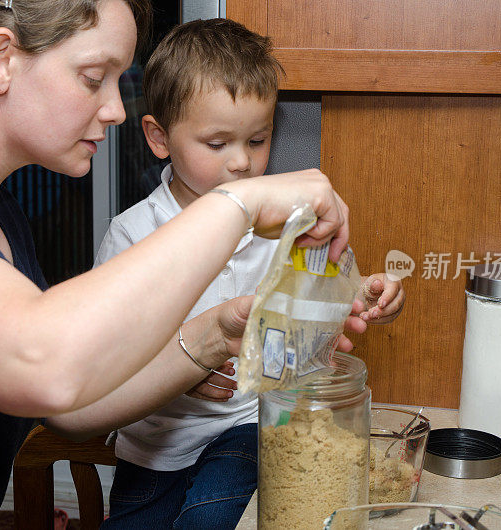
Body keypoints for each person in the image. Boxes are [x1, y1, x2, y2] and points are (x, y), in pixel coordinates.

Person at [0, 1, 361, 528]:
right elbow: (42, 364)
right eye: (94, 77)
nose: (118, 109)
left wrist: (216, 334)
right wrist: (239, 203)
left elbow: (72, 409)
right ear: (1, 60)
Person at [92, 18, 406, 530]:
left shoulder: (292, 225)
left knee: (207, 523)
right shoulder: (132, 236)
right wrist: (177, 374)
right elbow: (105, 359)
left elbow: (341, 294)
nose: (242, 162)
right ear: (158, 137)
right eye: (217, 144)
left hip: (248, 426)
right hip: (152, 447)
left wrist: (375, 294)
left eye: (257, 140)